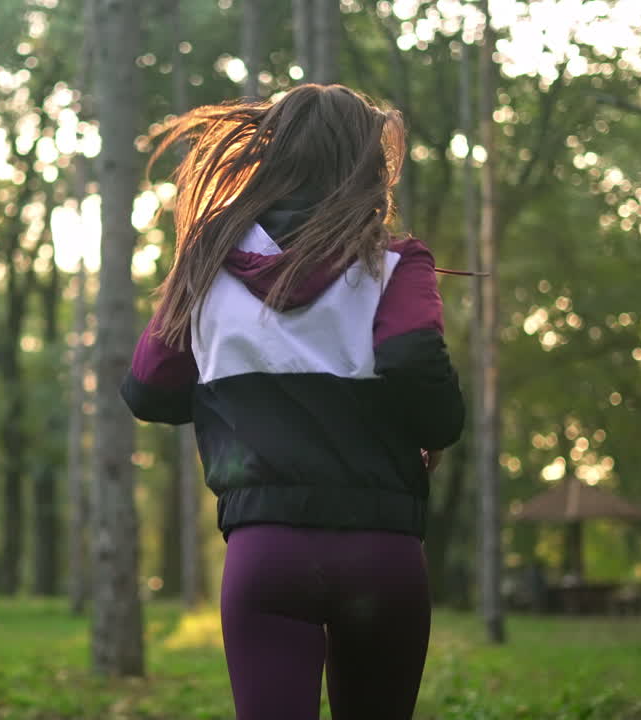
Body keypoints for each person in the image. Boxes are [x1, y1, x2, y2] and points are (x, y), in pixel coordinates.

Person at [120, 84, 465, 720]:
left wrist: (240, 384)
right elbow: (412, 358)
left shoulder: (207, 266)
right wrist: (438, 429)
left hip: (266, 553)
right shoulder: (394, 265)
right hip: (381, 551)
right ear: (362, 167)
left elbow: (148, 387)